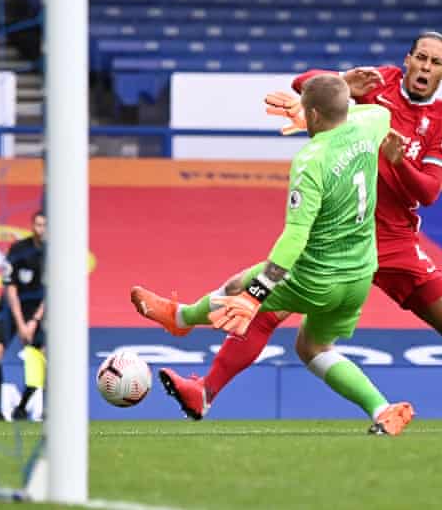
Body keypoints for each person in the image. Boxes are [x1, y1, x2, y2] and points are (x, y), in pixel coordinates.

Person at [135, 32, 442, 433]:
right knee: (265, 312)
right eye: (419, 57)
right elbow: (308, 87)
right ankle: (205, 388)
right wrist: (343, 78)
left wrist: (399, 164)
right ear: (406, 61)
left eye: (435, 62)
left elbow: (429, 192)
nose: (424, 66)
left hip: (396, 242)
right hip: (341, 234)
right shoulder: (378, 87)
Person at [133, 75, 415, 435]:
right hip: (360, 275)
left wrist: (256, 294)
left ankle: (181, 318)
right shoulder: (373, 121)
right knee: (314, 347)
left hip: (316, 276)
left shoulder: (311, 160)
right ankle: (382, 409)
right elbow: (364, 111)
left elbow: (295, 237)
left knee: (239, 288)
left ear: (312, 113)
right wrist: (329, 99)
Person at [0, 211, 46, 421]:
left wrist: (35, 321)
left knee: (45, 357)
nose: (41, 229)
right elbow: (10, 290)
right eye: (38, 225)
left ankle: (24, 406)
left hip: (37, 312)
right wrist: (21, 324)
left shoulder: (55, 255)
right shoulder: (19, 250)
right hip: (11, 309)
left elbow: (51, 293)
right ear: (32, 226)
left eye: (45, 225)